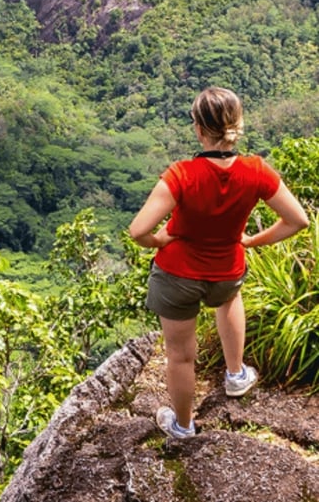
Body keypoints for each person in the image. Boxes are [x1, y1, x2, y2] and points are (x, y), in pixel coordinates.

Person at [128, 86, 309, 440]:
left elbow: (138, 230)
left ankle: (182, 426)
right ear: (237, 124)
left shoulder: (181, 175)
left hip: (177, 274)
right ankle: (236, 374)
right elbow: (297, 220)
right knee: (229, 300)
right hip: (226, 270)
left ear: (198, 129)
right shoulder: (257, 171)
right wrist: (252, 241)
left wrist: (160, 239)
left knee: (180, 356)